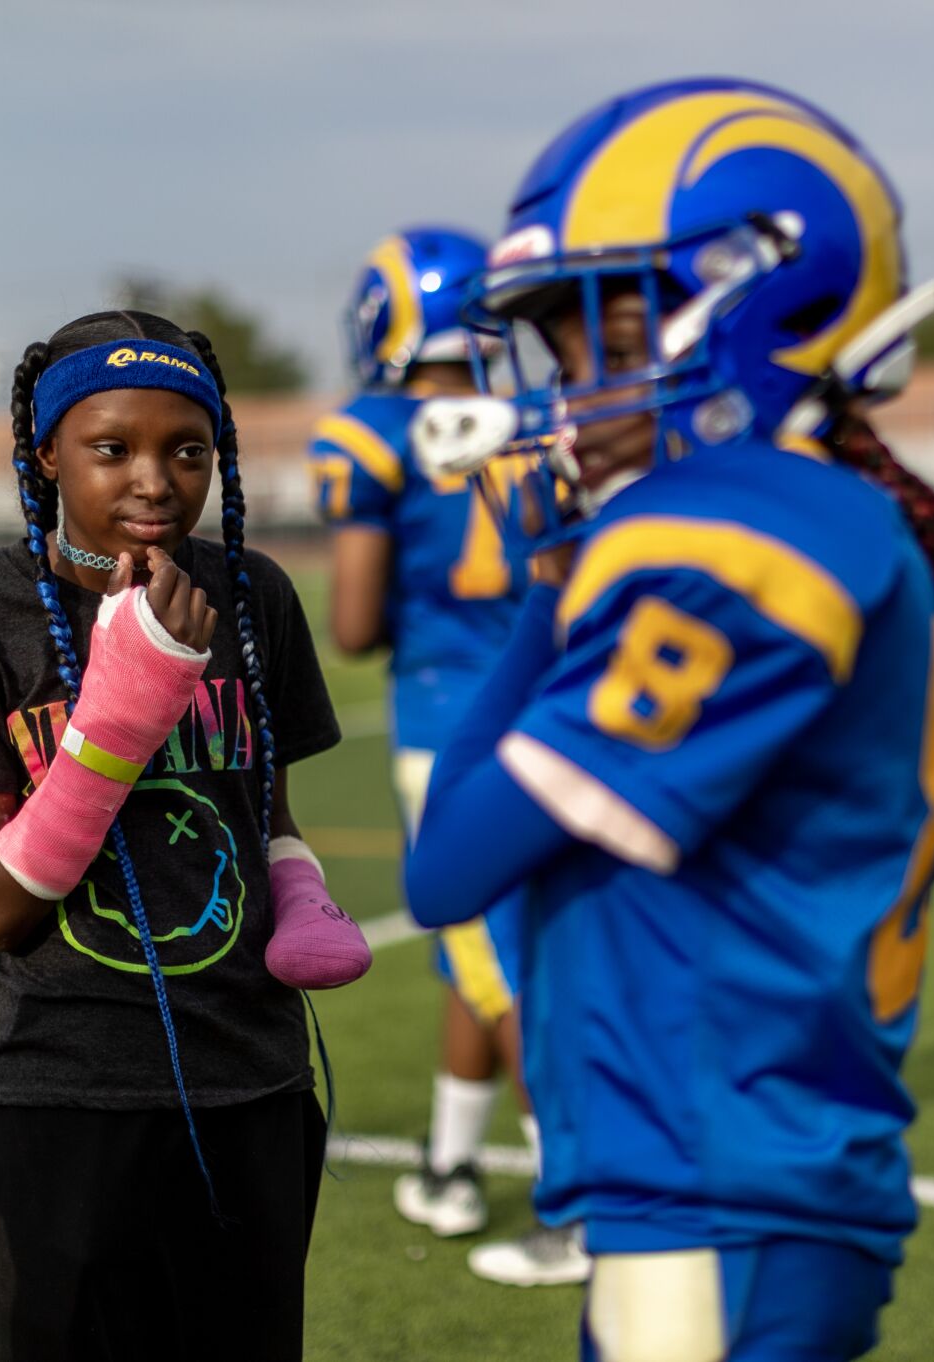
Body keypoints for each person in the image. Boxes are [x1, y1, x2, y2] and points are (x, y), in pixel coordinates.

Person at [401, 77, 934, 1360]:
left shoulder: (743, 523)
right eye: (565, 350)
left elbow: (450, 860)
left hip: (716, 1176)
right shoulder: (820, 510)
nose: (575, 387)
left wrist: (546, 600)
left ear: (773, 295)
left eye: (612, 334)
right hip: (728, 1168)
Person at [0, 311, 359, 1361]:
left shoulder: (252, 596)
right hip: (62, 1087)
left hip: (254, 1080)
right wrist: (127, 704)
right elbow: (1, 908)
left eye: (187, 450)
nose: (154, 480)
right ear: (46, 454)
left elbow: (265, 809)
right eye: (113, 448)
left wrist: (304, 890)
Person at [306, 230, 586, 1285]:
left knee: (494, 960)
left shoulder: (375, 434)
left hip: (451, 725)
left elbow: (352, 622)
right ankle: (452, 1167)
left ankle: (578, 1203)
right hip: (554, 704)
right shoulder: (538, 419)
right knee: (485, 954)